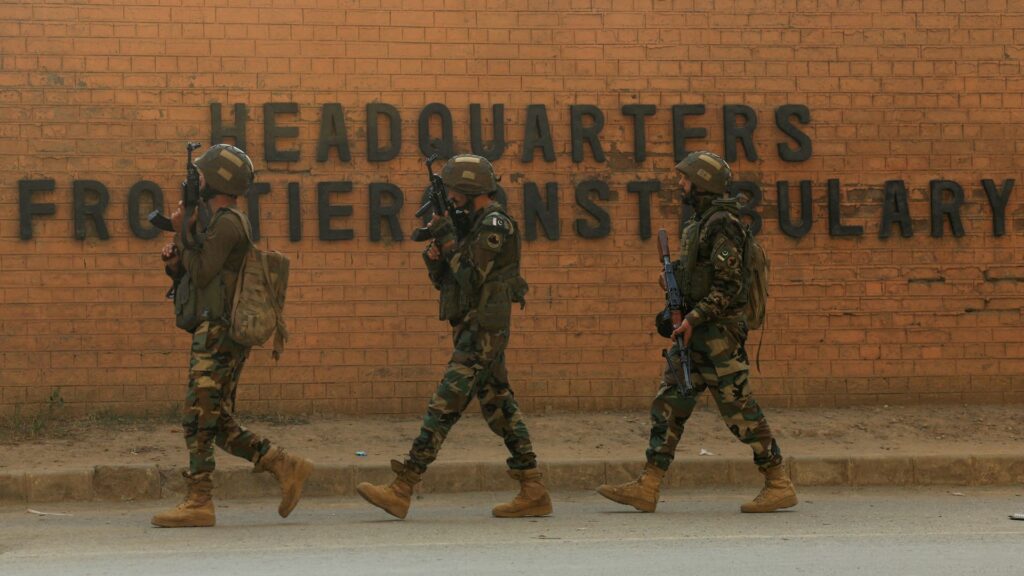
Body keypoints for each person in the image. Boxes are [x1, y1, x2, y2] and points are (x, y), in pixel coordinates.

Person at [596, 150, 797, 513]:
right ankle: (649, 485)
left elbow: (728, 286)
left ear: (702, 183)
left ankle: (778, 482)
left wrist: (693, 318)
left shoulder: (723, 224)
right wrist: (674, 279)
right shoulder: (701, 222)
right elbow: (700, 272)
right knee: (669, 405)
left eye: (686, 179)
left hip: (718, 335)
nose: (681, 184)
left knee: (739, 410)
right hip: (694, 332)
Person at [356, 154, 551, 519]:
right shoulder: (470, 225)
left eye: (454, 190)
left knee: (445, 404)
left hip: (483, 331)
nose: (451, 197)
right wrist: (437, 255)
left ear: (470, 188)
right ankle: (533, 488)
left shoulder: (494, 224)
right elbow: (450, 281)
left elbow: (472, 277)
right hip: (472, 327)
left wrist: (448, 239)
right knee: (499, 405)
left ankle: (403, 486)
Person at [151, 144, 313, 528]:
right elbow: (199, 275)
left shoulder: (228, 223)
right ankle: (283, 464)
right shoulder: (217, 221)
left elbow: (203, 271)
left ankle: (199, 500)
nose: (197, 181)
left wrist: (183, 231)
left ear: (218, 180)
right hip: (213, 330)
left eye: (202, 175)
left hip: (219, 333)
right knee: (214, 420)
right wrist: (175, 262)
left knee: (198, 416)